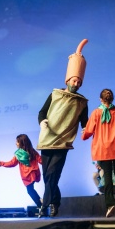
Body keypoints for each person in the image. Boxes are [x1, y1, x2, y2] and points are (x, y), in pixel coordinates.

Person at [37, 39, 89, 218]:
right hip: (46, 139)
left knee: (52, 174)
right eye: (74, 80)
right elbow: (42, 112)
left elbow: (84, 121)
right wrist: (42, 121)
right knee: (47, 177)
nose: (76, 83)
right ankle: (55, 202)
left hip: (63, 142)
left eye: (79, 81)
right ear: (68, 79)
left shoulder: (81, 102)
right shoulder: (55, 94)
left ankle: (44, 206)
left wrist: (86, 129)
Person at [82, 88, 115, 218]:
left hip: (102, 148)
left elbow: (88, 131)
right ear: (112, 99)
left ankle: (110, 203)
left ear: (101, 99)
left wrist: (84, 135)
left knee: (106, 175)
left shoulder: (96, 113)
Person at [0, 134, 42, 208]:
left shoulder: (19, 154)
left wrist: (1, 163)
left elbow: (12, 163)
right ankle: (40, 203)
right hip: (34, 173)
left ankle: (41, 205)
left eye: (17, 142)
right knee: (30, 190)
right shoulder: (33, 151)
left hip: (28, 175)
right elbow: (41, 160)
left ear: (22, 143)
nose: (16, 143)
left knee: (30, 190)